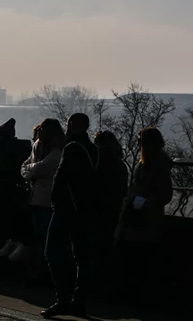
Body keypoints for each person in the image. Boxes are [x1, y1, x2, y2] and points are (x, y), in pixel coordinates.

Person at [42, 113, 99, 318]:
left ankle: (63, 299)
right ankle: (79, 300)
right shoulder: (92, 149)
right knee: (82, 258)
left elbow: (63, 178)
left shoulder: (72, 146)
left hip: (67, 210)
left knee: (52, 251)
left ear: (73, 125)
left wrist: (56, 201)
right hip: (85, 211)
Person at [114, 127, 172, 303]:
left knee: (138, 260)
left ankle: (134, 296)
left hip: (144, 220)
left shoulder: (155, 165)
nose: (137, 143)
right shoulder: (148, 163)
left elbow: (165, 194)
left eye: (140, 140)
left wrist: (145, 202)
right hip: (140, 219)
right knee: (135, 259)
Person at [20, 119, 64, 279]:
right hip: (35, 198)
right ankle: (40, 270)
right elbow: (27, 167)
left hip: (46, 199)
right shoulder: (38, 146)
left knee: (45, 238)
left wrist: (31, 171)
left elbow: (38, 167)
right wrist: (32, 171)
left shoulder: (57, 151)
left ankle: (45, 271)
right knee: (38, 237)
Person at [0, 118, 33, 259]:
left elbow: (2, 170)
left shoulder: (8, 149)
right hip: (15, 190)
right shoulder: (18, 147)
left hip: (12, 191)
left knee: (13, 222)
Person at [93, 130, 128, 289]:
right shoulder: (119, 165)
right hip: (112, 210)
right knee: (106, 247)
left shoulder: (99, 163)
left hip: (99, 210)